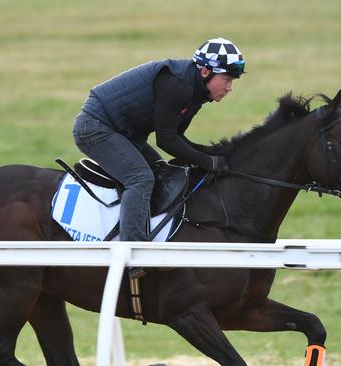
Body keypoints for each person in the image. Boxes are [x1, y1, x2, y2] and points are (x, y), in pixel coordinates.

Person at [72, 38, 245, 278]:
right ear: (205, 71)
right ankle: (131, 253)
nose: (229, 87)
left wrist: (210, 153)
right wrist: (207, 162)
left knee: (161, 172)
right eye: (226, 79)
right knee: (140, 178)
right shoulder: (178, 85)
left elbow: (177, 138)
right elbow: (166, 141)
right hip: (95, 127)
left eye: (232, 81)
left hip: (123, 132)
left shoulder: (197, 91)